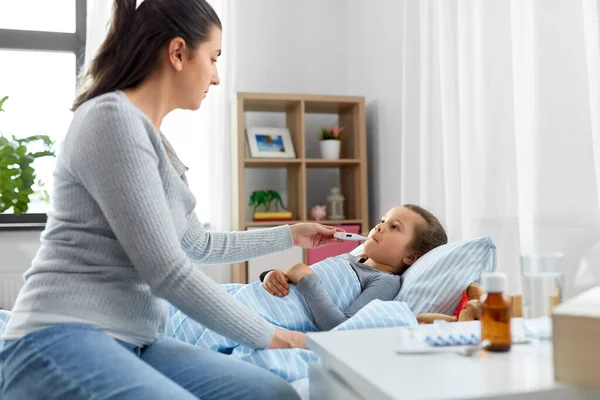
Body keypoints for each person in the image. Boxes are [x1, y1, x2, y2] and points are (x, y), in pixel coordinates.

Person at [0, 1, 344, 399]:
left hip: (135, 342)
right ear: (178, 53)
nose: (216, 77)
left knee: (274, 394)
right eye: (213, 59)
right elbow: (167, 270)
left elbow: (198, 244)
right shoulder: (111, 119)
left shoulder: (156, 142)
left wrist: (290, 235)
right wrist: (275, 337)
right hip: (60, 335)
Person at [260, 205, 448, 330]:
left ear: (412, 257)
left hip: (266, 320)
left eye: (394, 227)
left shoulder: (385, 281)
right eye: (383, 221)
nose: (379, 227)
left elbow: (341, 327)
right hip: (258, 301)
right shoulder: (348, 259)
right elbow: (294, 285)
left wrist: (307, 280)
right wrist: (270, 276)